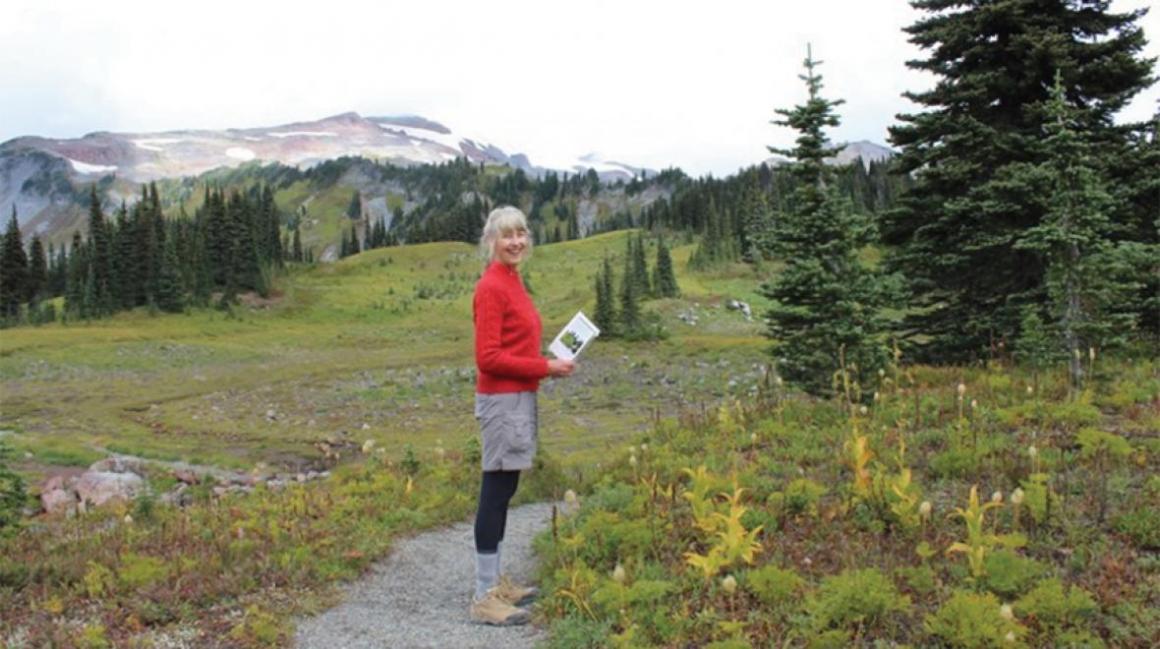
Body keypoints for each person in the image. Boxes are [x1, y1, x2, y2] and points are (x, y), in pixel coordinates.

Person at [469, 206, 575, 626]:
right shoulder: (491, 287)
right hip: (501, 401)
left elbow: (513, 347)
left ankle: (495, 583)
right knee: (495, 490)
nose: (515, 242)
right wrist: (545, 367)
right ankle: (483, 597)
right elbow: (489, 357)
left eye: (521, 233)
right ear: (491, 241)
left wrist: (545, 362)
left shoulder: (511, 280)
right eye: (506, 235)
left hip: (517, 397)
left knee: (506, 486)